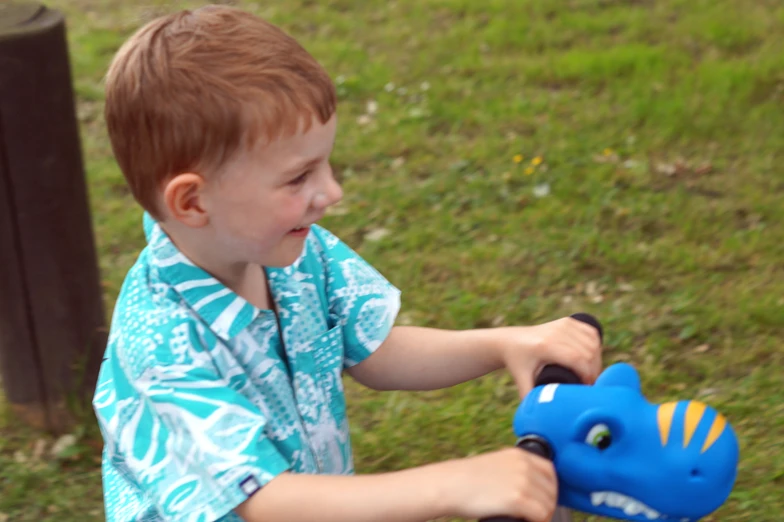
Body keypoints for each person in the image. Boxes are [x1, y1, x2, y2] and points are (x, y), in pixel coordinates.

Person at [92, 5, 602, 522]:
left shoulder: (290, 250)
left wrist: (504, 343)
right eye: (299, 177)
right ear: (193, 203)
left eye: (326, 164)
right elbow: (263, 499)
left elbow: (373, 350)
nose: (330, 192)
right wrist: (453, 483)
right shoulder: (160, 345)